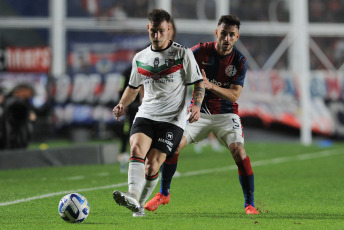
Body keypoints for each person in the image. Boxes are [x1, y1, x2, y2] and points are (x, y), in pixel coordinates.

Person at [145, 15, 259, 215]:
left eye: (231, 35)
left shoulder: (240, 61)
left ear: (237, 37)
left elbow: (234, 95)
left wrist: (209, 85)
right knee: (174, 145)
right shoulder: (199, 51)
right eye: (223, 33)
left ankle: (249, 204)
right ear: (217, 32)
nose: (226, 38)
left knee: (239, 152)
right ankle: (164, 194)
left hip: (226, 114)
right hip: (199, 112)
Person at [112, 9, 205, 217]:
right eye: (153, 31)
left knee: (152, 164)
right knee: (136, 149)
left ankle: (139, 203)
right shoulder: (140, 57)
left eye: (161, 31)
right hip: (146, 113)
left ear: (169, 29)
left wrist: (196, 105)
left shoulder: (183, 54)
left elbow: (199, 84)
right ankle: (133, 196)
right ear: (148, 28)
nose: (157, 36)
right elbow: (133, 87)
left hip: (173, 120)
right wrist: (122, 104)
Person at [117, 18, 177, 173]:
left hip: (156, 106)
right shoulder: (137, 65)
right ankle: (127, 158)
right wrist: (125, 103)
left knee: (156, 136)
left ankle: (152, 165)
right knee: (134, 133)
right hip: (141, 106)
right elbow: (130, 86)